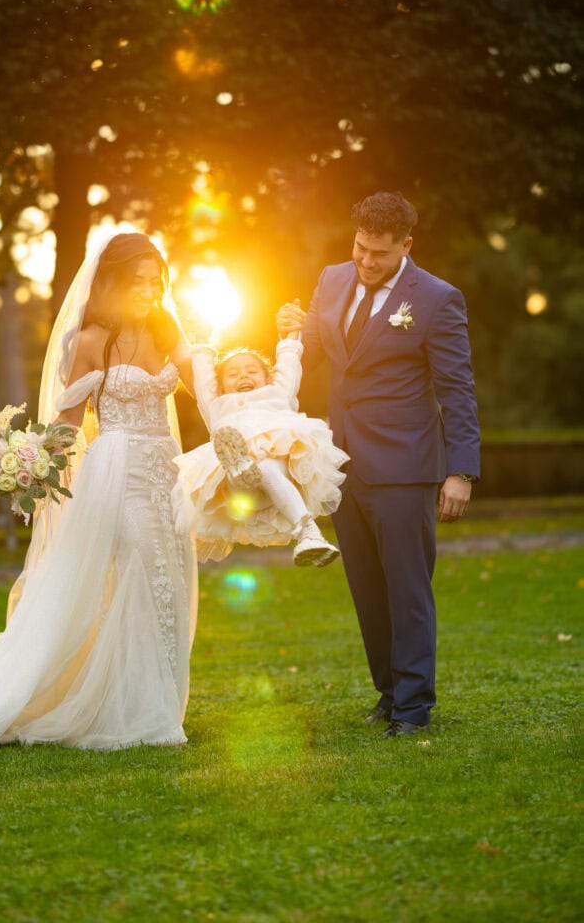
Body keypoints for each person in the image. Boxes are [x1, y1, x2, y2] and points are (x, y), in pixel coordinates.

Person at [0, 233, 198, 753]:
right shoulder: (88, 341)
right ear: (111, 281)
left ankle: (160, 701)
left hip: (165, 471)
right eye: (138, 282)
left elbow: (204, 385)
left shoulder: (166, 329)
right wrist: (32, 463)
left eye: (156, 282)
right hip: (118, 471)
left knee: (170, 576)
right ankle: (143, 715)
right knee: (144, 569)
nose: (150, 291)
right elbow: (65, 424)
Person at [277, 192, 480, 737]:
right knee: (367, 590)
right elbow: (315, 352)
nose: (367, 262)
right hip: (342, 466)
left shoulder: (438, 299)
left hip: (406, 466)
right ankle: (389, 696)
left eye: (380, 254)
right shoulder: (332, 279)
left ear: (406, 246)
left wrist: (460, 471)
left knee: (407, 590)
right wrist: (288, 335)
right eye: (361, 249)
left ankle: (414, 710)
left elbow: (458, 390)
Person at [172, 337, 348, 565]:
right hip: (244, 491)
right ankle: (239, 467)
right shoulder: (216, 405)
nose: (243, 376)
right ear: (221, 386)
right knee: (238, 479)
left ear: (268, 379)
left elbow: (289, 366)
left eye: (251, 371)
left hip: (278, 463)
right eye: (233, 374)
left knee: (265, 467)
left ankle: (308, 532)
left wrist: (289, 337)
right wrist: (202, 345)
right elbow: (203, 380)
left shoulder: (278, 394)